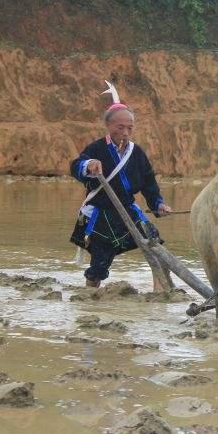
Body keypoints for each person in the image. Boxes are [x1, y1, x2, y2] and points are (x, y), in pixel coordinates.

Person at [70, 81, 172, 287]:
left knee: (155, 246)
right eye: (120, 127)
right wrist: (89, 165)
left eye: (130, 128)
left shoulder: (136, 152)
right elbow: (75, 166)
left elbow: (149, 182)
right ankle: (89, 297)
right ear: (109, 126)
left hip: (128, 210)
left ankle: (159, 293)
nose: (125, 132)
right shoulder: (97, 148)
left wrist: (158, 204)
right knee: (99, 264)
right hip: (101, 214)